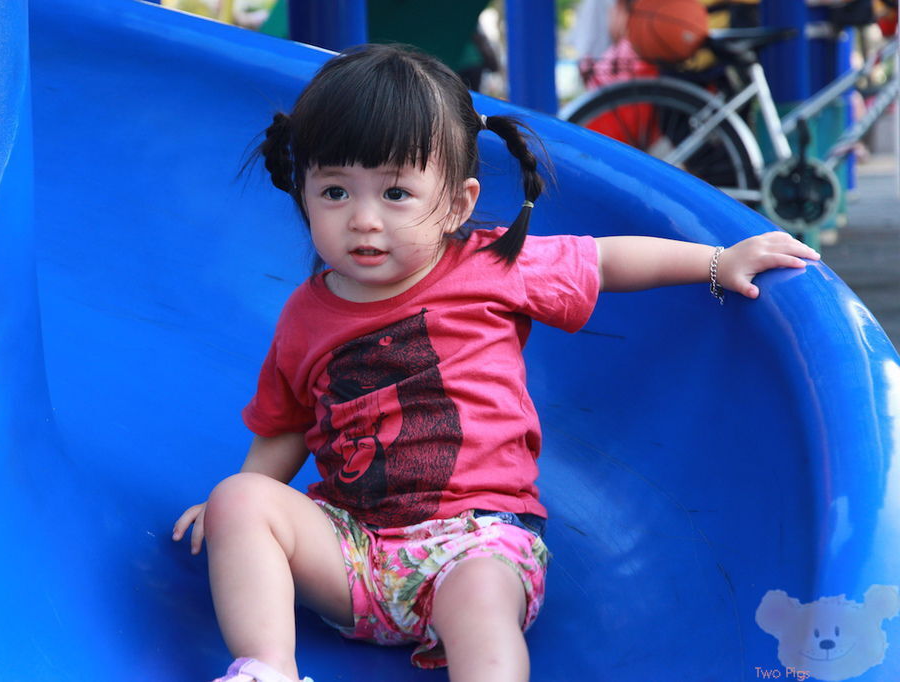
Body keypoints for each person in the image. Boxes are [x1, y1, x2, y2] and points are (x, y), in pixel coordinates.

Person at [172, 43, 820, 682]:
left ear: (456, 204)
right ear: (305, 195)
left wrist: (716, 263)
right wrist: (241, 511)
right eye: (336, 191)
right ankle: (269, 668)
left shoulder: (491, 264)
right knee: (237, 499)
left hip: (478, 541)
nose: (364, 220)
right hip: (355, 550)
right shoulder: (305, 315)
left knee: (481, 602)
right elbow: (287, 421)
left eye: (396, 193)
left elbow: (605, 260)